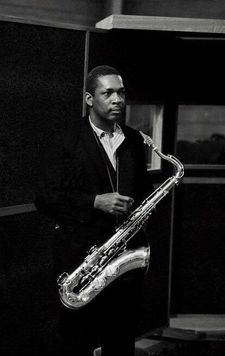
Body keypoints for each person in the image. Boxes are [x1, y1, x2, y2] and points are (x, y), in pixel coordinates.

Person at [34, 65, 153, 356]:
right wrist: (94, 201)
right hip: (80, 259)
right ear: (90, 99)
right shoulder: (66, 139)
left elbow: (144, 190)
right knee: (76, 339)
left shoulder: (135, 140)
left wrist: (142, 209)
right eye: (108, 93)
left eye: (121, 93)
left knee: (121, 338)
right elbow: (45, 197)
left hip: (123, 257)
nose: (117, 100)